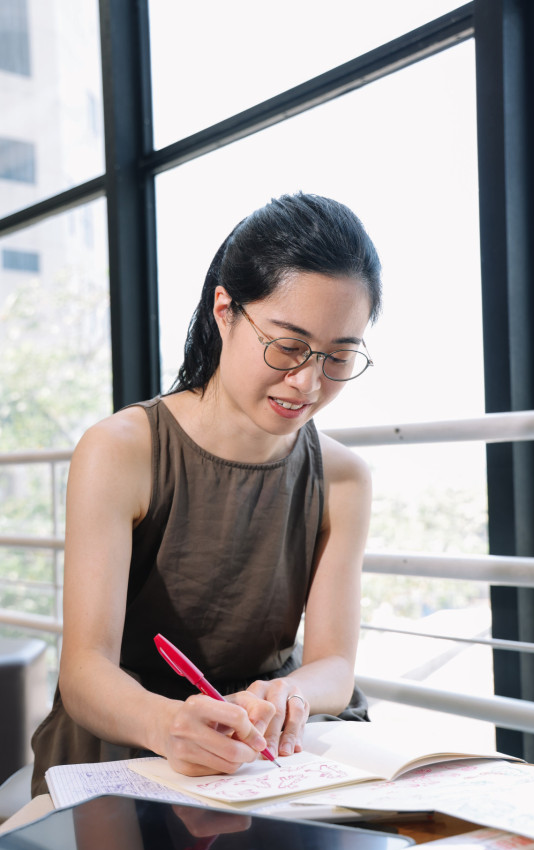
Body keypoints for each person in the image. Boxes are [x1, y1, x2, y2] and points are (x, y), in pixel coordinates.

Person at [31, 192, 382, 797]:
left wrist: (288, 695)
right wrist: (169, 724)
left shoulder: (343, 478)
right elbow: (85, 672)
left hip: (267, 748)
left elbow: (335, 666)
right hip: (130, 742)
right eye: (288, 346)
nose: (307, 383)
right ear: (225, 310)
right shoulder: (122, 450)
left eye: (338, 357)